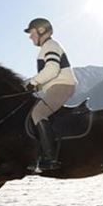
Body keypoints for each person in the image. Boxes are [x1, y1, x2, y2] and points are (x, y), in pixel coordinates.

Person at [24, 18, 78, 172]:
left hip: (62, 86)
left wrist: (34, 82)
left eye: (32, 33)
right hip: (56, 85)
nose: (30, 37)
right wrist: (33, 86)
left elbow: (52, 69)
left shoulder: (50, 45)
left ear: (42, 31)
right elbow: (49, 74)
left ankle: (50, 158)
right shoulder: (47, 47)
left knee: (38, 113)